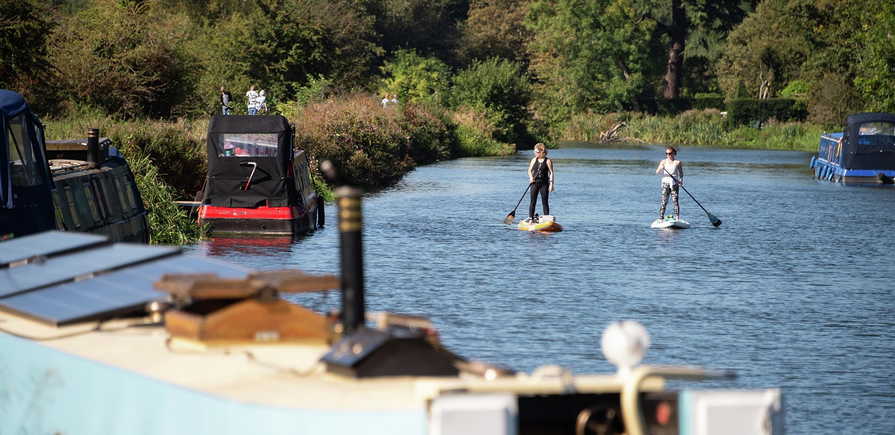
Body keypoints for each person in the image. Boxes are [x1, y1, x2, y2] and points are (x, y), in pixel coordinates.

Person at [527, 143, 555, 223]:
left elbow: (551, 173)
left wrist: (551, 184)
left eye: (536, 151)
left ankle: (546, 219)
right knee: (533, 201)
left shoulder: (548, 161)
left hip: (544, 184)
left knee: (545, 201)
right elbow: (529, 170)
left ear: (542, 151)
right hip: (534, 183)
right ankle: (530, 218)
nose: (535, 153)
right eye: (535, 151)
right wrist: (531, 177)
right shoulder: (533, 160)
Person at [655, 146, 683, 220]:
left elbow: (681, 174)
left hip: (674, 184)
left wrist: (681, 181)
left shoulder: (677, 162)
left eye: (670, 153)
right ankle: (661, 218)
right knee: (664, 201)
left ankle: (677, 218)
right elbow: (657, 172)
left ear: (674, 153)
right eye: (666, 153)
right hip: (665, 183)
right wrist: (661, 168)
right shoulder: (663, 162)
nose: (668, 155)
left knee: (675, 201)